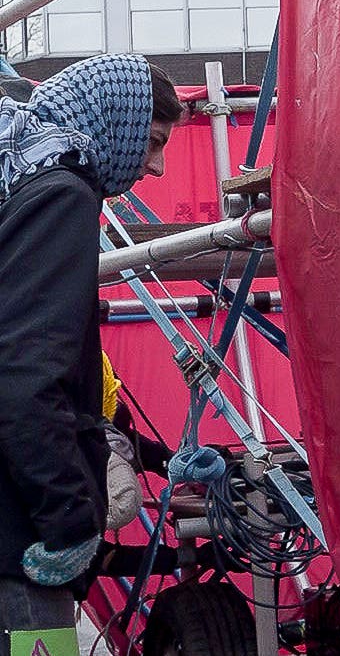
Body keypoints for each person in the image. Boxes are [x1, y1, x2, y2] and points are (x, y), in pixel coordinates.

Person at [0, 54, 179, 644]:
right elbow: (25, 376)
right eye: (151, 142)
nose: (154, 167)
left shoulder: (19, 176)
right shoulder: (62, 194)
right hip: (19, 550)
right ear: (113, 119)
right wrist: (71, 520)